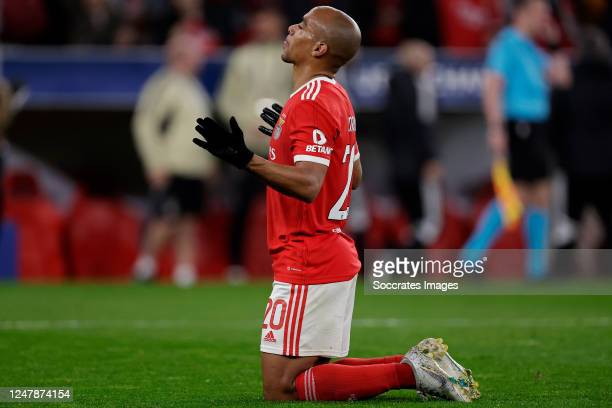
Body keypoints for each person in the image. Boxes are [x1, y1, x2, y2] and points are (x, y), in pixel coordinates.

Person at [192, 6, 479, 402]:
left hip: (308, 255)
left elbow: (310, 184)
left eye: (303, 26)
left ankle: (410, 373)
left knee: (282, 388)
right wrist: (287, 137)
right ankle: (415, 365)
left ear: (320, 47)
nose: (291, 27)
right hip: (325, 250)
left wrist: (245, 159)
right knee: (300, 377)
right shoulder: (335, 95)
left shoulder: (310, 101)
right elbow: (353, 175)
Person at [462, 0, 571, 278]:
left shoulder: (533, 48)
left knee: (540, 195)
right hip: (520, 124)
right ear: (523, 12)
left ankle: (535, 268)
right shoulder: (507, 43)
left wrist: (554, 44)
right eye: (541, 13)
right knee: (518, 194)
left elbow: (562, 77)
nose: (545, 19)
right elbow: (492, 85)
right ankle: (470, 257)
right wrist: (495, 127)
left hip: (538, 127)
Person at [132, 28, 216, 287]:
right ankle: (145, 266)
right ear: (180, 55)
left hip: (194, 167)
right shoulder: (164, 84)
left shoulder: (194, 87)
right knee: (165, 218)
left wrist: (208, 163)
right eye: (196, 54)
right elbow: (145, 125)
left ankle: (185, 270)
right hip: (172, 165)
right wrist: (155, 163)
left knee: (189, 219)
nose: (200, 60)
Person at [215, 8, 292, 282]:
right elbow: (226, 98)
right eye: (260, 20)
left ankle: (291, 262)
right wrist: (242, 123)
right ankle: (235, 265)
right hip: (246, 142)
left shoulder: (292, 56)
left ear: (280, 23)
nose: (264, 25)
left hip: (280, 143)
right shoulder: (241, 56)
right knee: (240, 206)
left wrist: (281, 125)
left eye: (269, 20)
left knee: (288, 206)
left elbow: (297, 93)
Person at [384, 40, 443, 248]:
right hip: (413, 163)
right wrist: (430, 157)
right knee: (425, 221)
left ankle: (410, 256)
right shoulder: (406, 85)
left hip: (407, 162)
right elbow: (420, 125)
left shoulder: (407, 84)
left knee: (419, 221)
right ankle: (405, 254)